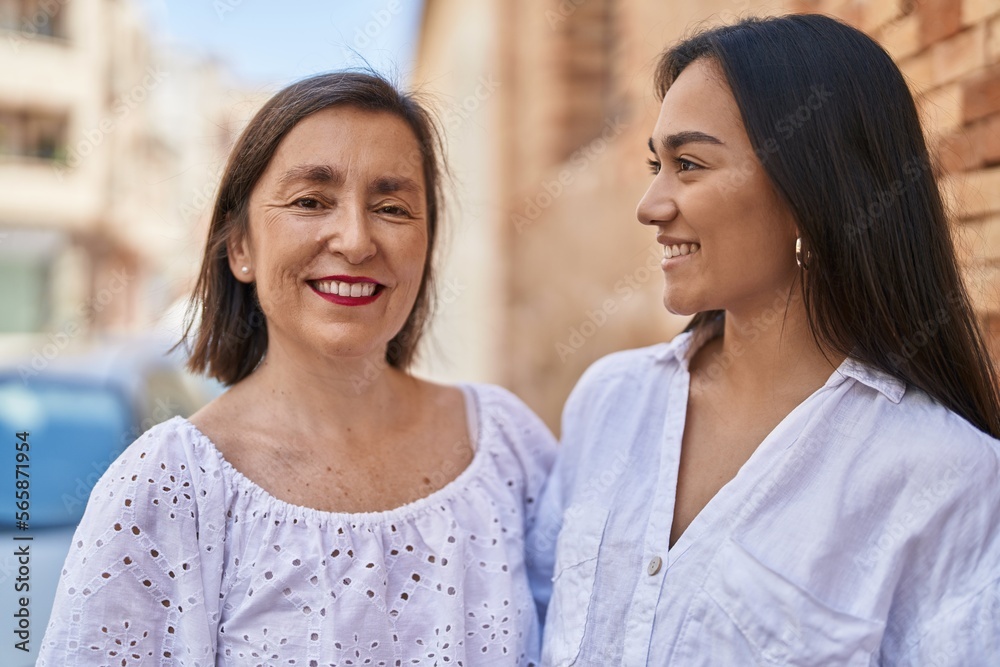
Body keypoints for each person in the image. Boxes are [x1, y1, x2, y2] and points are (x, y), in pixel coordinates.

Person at [527, 14, 1000, 666]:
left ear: (811, 189)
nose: (650, 204)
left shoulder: (944, 477)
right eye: (654, 164)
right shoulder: (609, 401)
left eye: (689, 164)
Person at [39, 71, 555, 665]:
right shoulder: (168, 490)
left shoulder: (507, 448)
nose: (357, 240)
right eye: (310, 201)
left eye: (392, 207)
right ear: (241, 248)